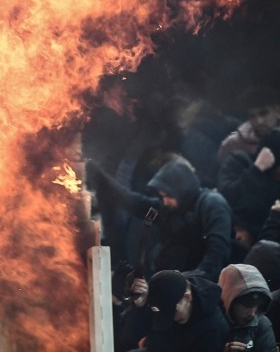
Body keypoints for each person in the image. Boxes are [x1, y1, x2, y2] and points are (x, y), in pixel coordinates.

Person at [87, 158, 232, 281]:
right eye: (163, 197)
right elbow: (133, 202)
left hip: (197, 286)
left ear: (182, 189)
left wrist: (193, 279)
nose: (165, 202)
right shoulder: (171, 210)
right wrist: (99, 177)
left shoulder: (211, 204)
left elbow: (218, 249)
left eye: (169, 196)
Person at [119, 269, 228, 352]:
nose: (173, 318)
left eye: (173, 311)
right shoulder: (164, 305)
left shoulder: (212, 328)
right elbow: (129, 339)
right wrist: (139, 308)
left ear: (187, 297)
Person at [217, 128, 280, 249]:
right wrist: (256, 170)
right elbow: (227, 195)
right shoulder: (239, 162)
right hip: (229, 234)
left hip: (263, 244)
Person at [218, 264, 277, 352]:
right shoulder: (210, 324)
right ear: (229, 299)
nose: (252, 313)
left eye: (257, 305)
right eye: (247, 306)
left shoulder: (261, 324)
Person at [218, 86, 280, 165]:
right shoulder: (232, 145)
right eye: (252, 116)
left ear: (278, 112)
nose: (259, 121)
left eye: (264, 114)